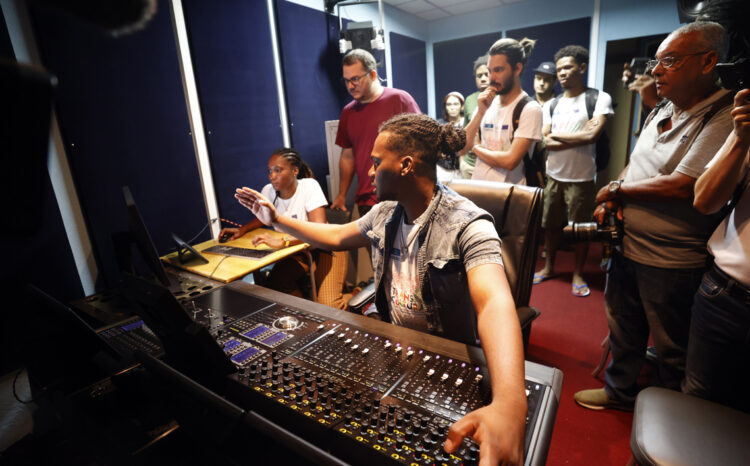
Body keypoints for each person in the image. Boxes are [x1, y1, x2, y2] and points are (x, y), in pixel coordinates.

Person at [235, 114, 527, 465]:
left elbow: (495, 302)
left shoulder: (467, 224)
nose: (369, 172)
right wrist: (277, 218)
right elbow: (337, 236)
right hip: (397, 350)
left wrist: (510, 404)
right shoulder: (384, 213)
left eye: (376, 163)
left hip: (446, 358)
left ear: (405, 165)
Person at [574, 21, 734, 410]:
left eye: (670, 62)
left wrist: (615, 189)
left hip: (672, 258)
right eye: (657, 62)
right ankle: (620, 393)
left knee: (671, 347)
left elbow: (685, 184)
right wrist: (615, 196)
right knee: (624, 328)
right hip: (628, 245)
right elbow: (637, 164)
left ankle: (664, 413)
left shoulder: (724, 115)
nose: (655, 71)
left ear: (708, 61)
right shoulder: (663, 108)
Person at [683, 88, 750, 413]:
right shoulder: (745, 131)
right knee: (697, 402)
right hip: (725, 295)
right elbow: (705, 200)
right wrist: (740, 139)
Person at [219, 148, 351, 309]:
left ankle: (356, 296)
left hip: (325, 247)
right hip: (299, 252)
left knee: (329, 304)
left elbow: (319, 231)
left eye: (278, 170)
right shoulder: (268, 191)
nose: (272, 176)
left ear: (295, 170)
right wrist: (243, 230)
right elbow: (264, 217)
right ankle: (307, 316)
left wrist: (283, 242)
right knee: (274, 288)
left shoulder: (309, 186)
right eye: (270, 171)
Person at [533, 45, 614, 297]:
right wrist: (577, 136)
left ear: (581, 67)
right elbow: (546, 140)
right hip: (553, 176)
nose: (562, 73)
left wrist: (559, 136)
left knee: (579, 228)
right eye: (559, 69)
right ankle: (549, 267)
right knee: (550, 225)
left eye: (567, 67)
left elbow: (592, 135)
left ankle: (578, 273)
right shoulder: (552, 104)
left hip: (582, 177)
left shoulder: (599, 98)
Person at [330, 49, 420, 218]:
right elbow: (347, 156)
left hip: (401, 196)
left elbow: (421, 144)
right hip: (367, 200)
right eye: (346, 80)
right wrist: (342, 195)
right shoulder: (348, 113)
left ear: (372, 74)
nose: (350, 86)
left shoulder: (400, 99)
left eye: (355, 79)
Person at [463, 38, 543, 184]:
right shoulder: (485, 104)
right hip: (479, 189)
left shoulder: (530, 108)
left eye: (498, 70)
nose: (491, 78)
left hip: (510, 196)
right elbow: (462, 149)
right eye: (489, 71)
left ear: (517, 69)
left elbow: (510, 162)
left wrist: (476, 148)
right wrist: (480, 113)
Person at [458, 55, 490, 179]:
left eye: (486, 74)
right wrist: (462, 161)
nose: (483, 79)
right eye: (479, 76)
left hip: (492, 164)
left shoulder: (501, 98)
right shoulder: (470, 100)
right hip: (470, 164)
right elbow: (465, 132)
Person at [436, 91, 464, 181]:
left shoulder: (468, 123)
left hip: (462, 168)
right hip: (442, 169)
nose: (452, 108)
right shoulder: (439, 124)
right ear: (445, 107)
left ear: (462, 106)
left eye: (455, 104)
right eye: (449, 104)